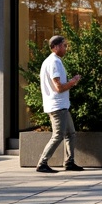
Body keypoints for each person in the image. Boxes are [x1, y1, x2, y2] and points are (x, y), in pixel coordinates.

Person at [35, 34, 83, 174]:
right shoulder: (54, 62)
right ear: (55, 47)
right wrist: (73, 82)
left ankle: (69, 162)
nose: (65, 48)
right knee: (58, 135)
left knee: (71, 134)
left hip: (62, 105)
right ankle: (42, 163)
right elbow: (59, 87)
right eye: (63, 45)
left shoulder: (54, 61)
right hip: (57, 105)